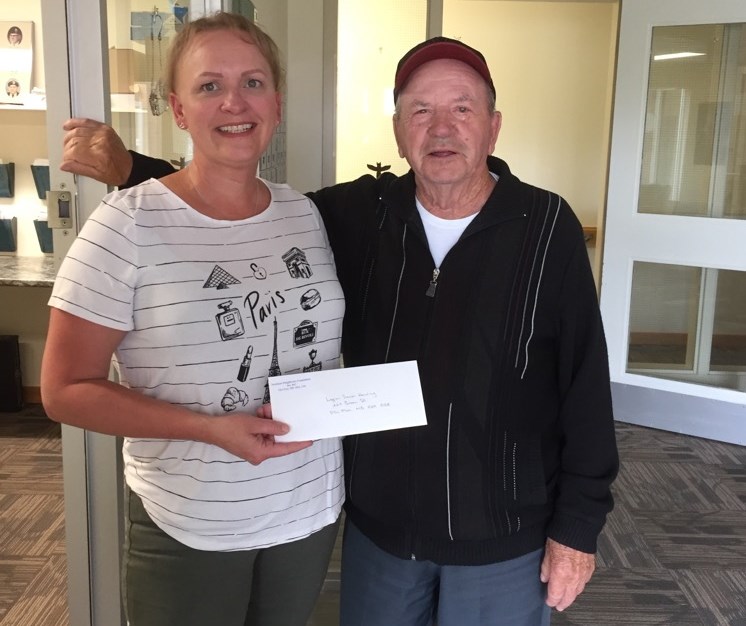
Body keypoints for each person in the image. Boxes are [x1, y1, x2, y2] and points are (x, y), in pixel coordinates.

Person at [60, 36, 619, 626]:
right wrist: (133, 173)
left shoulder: (545, 224)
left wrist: (578, 528)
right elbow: (230, 208)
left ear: (493, 125)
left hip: (503, 538)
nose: (442, 128)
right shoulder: (353, 215)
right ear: (399, 129)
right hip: (380, 534)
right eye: (420, 111)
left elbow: (584, 385)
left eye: (462, 108)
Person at [42, 13, 345, 626]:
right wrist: (211, 429)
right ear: (178, 110)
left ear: (277, 104)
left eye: (253, 82)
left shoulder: (304, 215)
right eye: (210, 86)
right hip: (191, 520)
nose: (235, 101)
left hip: (309, 510)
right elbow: (64, 391)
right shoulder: (126, 225)